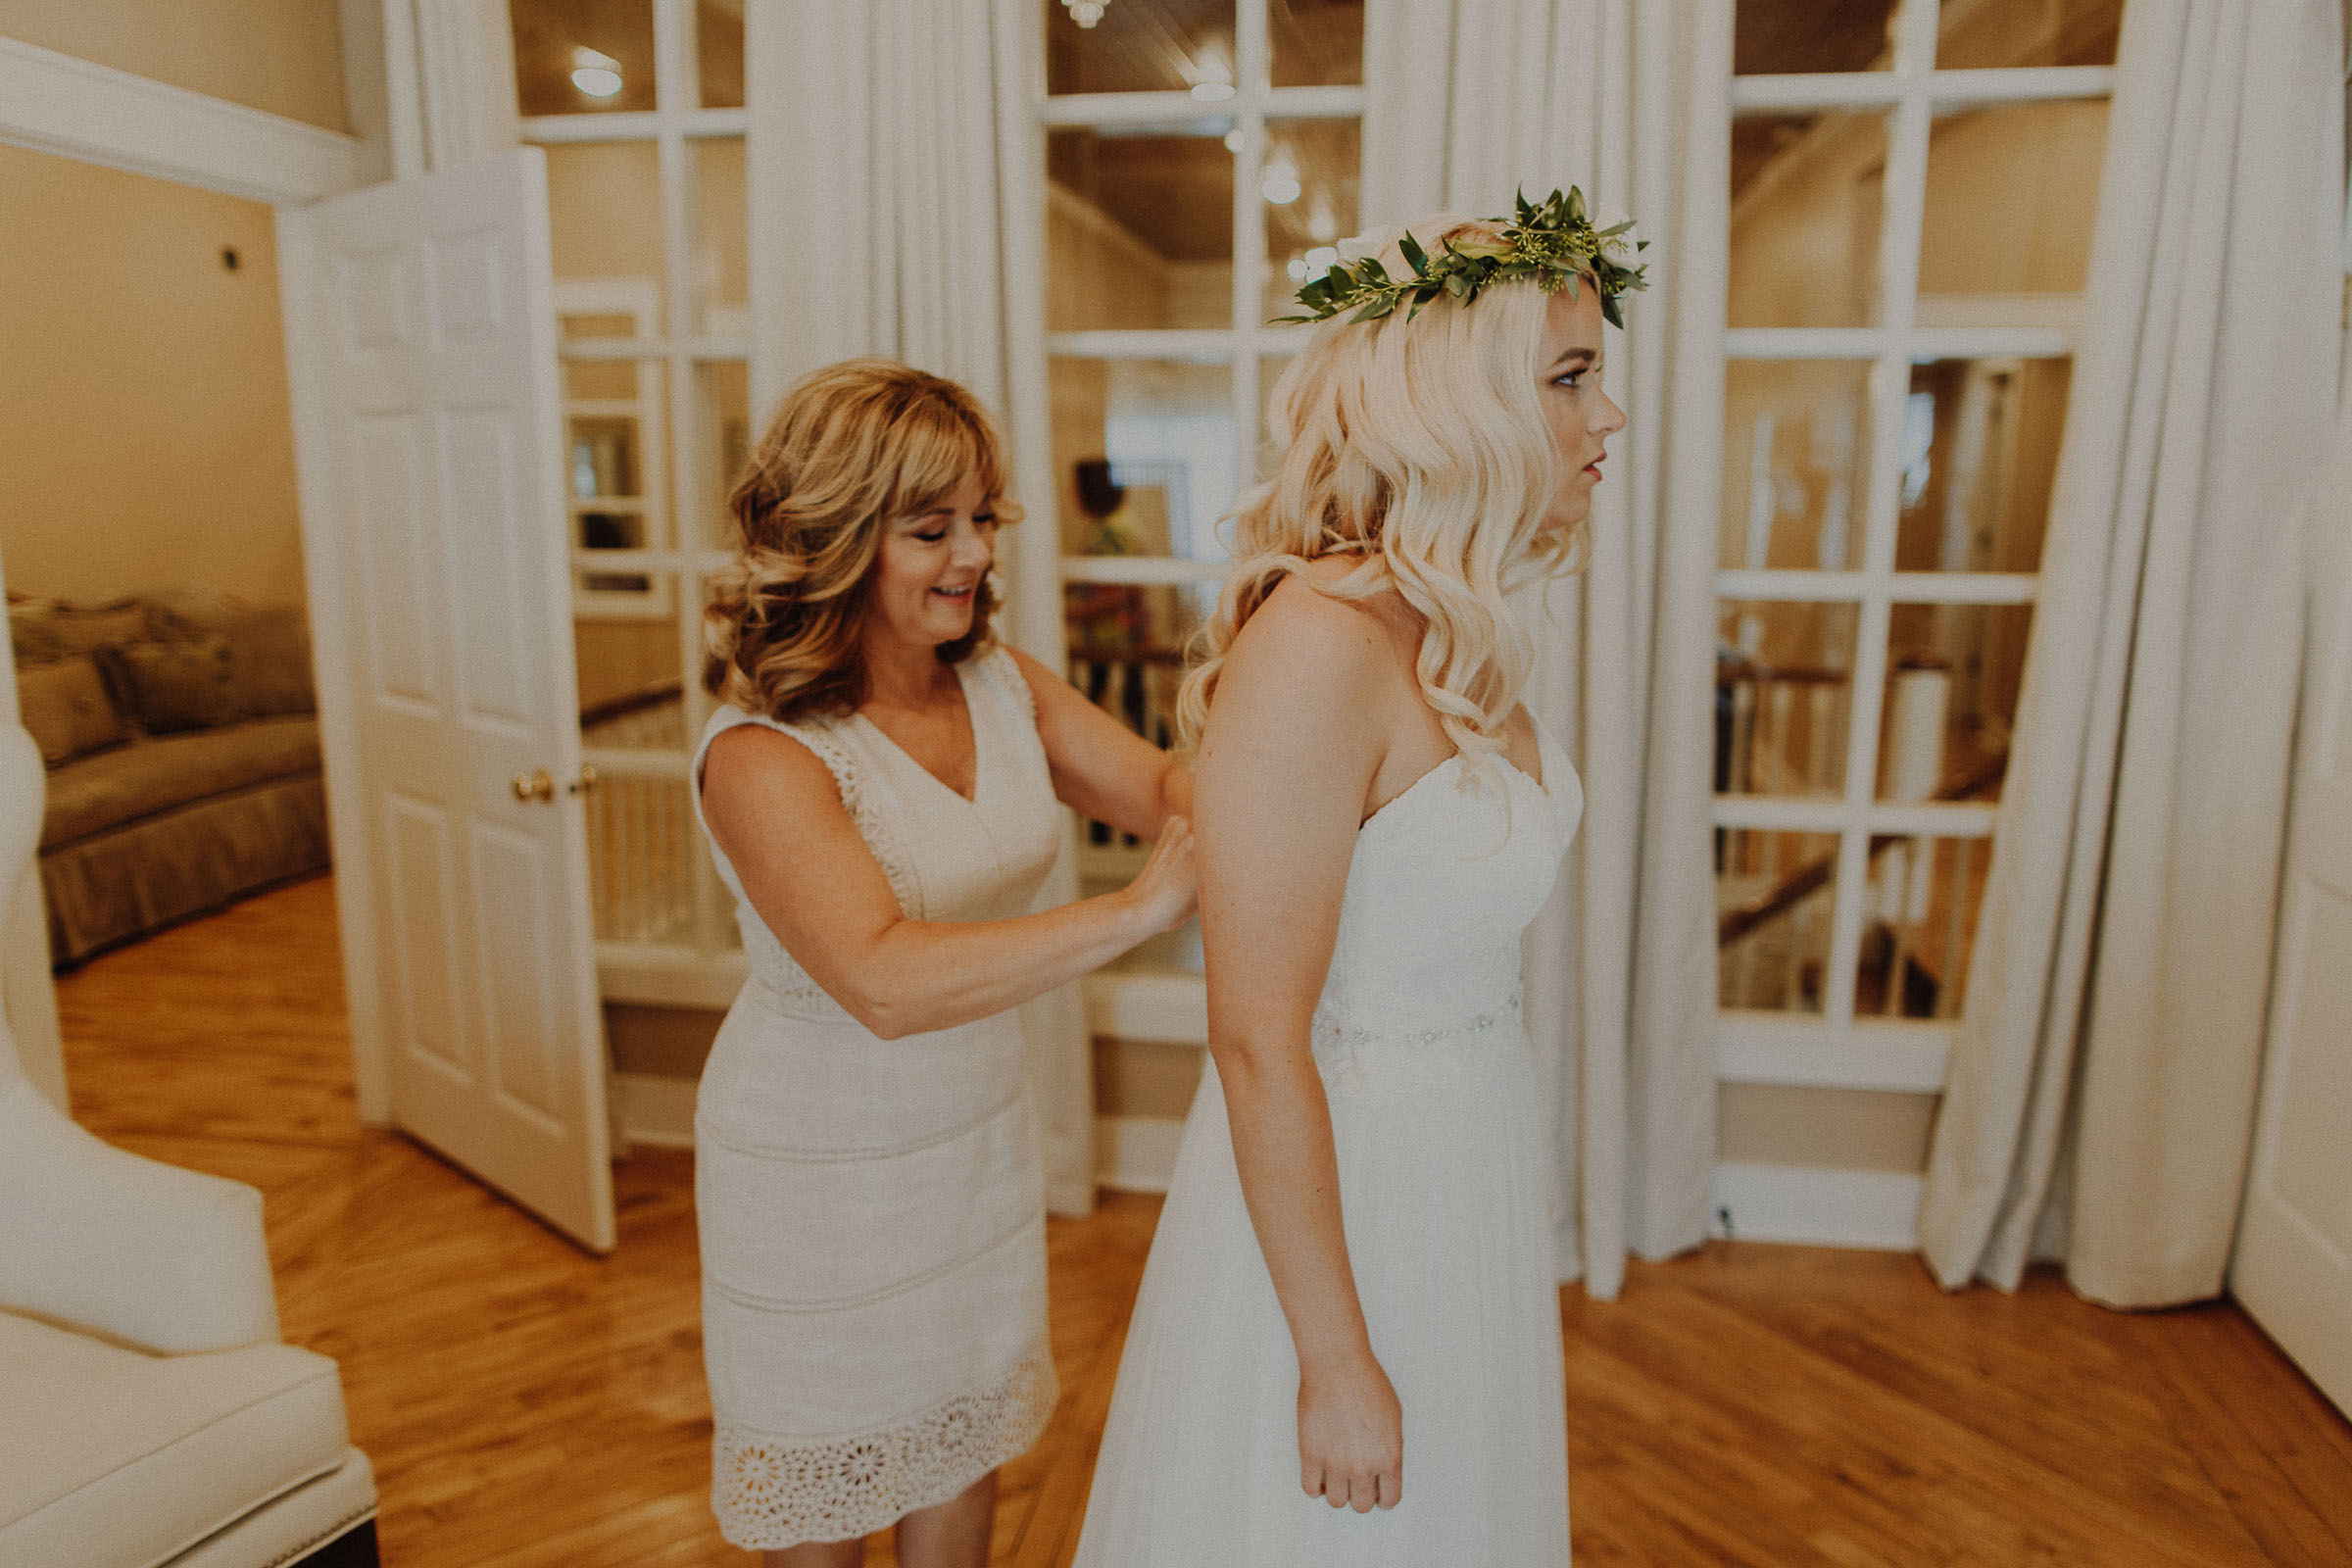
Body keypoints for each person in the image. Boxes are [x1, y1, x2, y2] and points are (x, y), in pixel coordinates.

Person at [1071, 189, 1641, 1566]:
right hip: (1350, 1184)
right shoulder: (1318, 647)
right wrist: (1333, 1359)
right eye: (1571, 378)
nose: (1606, 417)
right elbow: (1257, 1037)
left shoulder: (1455, 624)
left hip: (1464, 1153)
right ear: (1468, 406)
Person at [693, 359, 1196, 1567]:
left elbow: (1172, 788)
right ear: (836, 537)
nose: (973, 554)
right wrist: (1137, 910)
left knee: (961, 1451)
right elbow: (882, 977)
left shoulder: (1004, 683)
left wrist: (1307, 719)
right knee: (825, 1511)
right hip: (815, 1168)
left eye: (982, 518)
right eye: (931, 529)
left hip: (972, 1135)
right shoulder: (764, 752)